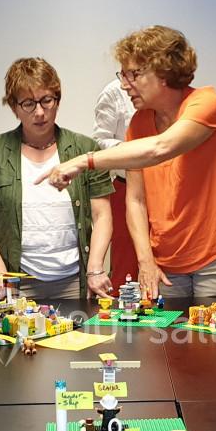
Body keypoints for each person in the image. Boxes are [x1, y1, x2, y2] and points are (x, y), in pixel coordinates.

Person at [41, 26, 216, 300]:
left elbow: (160, 148)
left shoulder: (206, 102)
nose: (123, 84)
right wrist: (145, 261)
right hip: (168, 255)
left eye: (134, 74)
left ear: (164, 71)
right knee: (167, 339)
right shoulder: (140, 123)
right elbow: (135, 200)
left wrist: (84, 161)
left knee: (214, 337)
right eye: (123, 74)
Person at [0, 57, 113, 300]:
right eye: (28, 103)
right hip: (17, 281)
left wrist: (95, 268)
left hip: (75, 280)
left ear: (58, 100)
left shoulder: (85, 149)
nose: (40, 112)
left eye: (47, 100)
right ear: (14, 107)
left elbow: (102, 214)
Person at [92, 77, 139, 288]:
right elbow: (99, 141)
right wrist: (137, 150)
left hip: (165, 190)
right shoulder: (113, 92)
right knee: (127, 267)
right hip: (126, 187)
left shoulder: (165, 92)